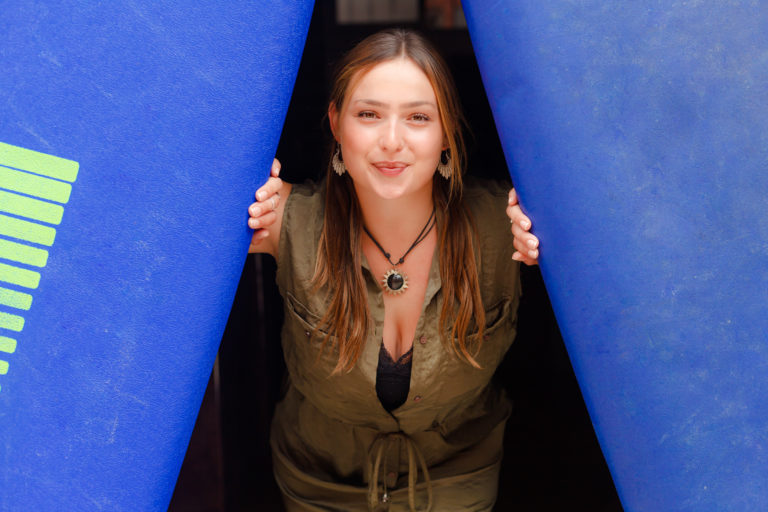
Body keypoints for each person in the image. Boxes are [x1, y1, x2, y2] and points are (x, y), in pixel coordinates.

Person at [247, 29, 538, 512]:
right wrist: (234, 183)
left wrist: (552, 248)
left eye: (418, 118)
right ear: (336, 123)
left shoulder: (507, 224)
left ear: (446, 132)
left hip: (457, 470)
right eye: (369, 114)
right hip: (319, 477)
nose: (391, 141)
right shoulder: (285, 220)